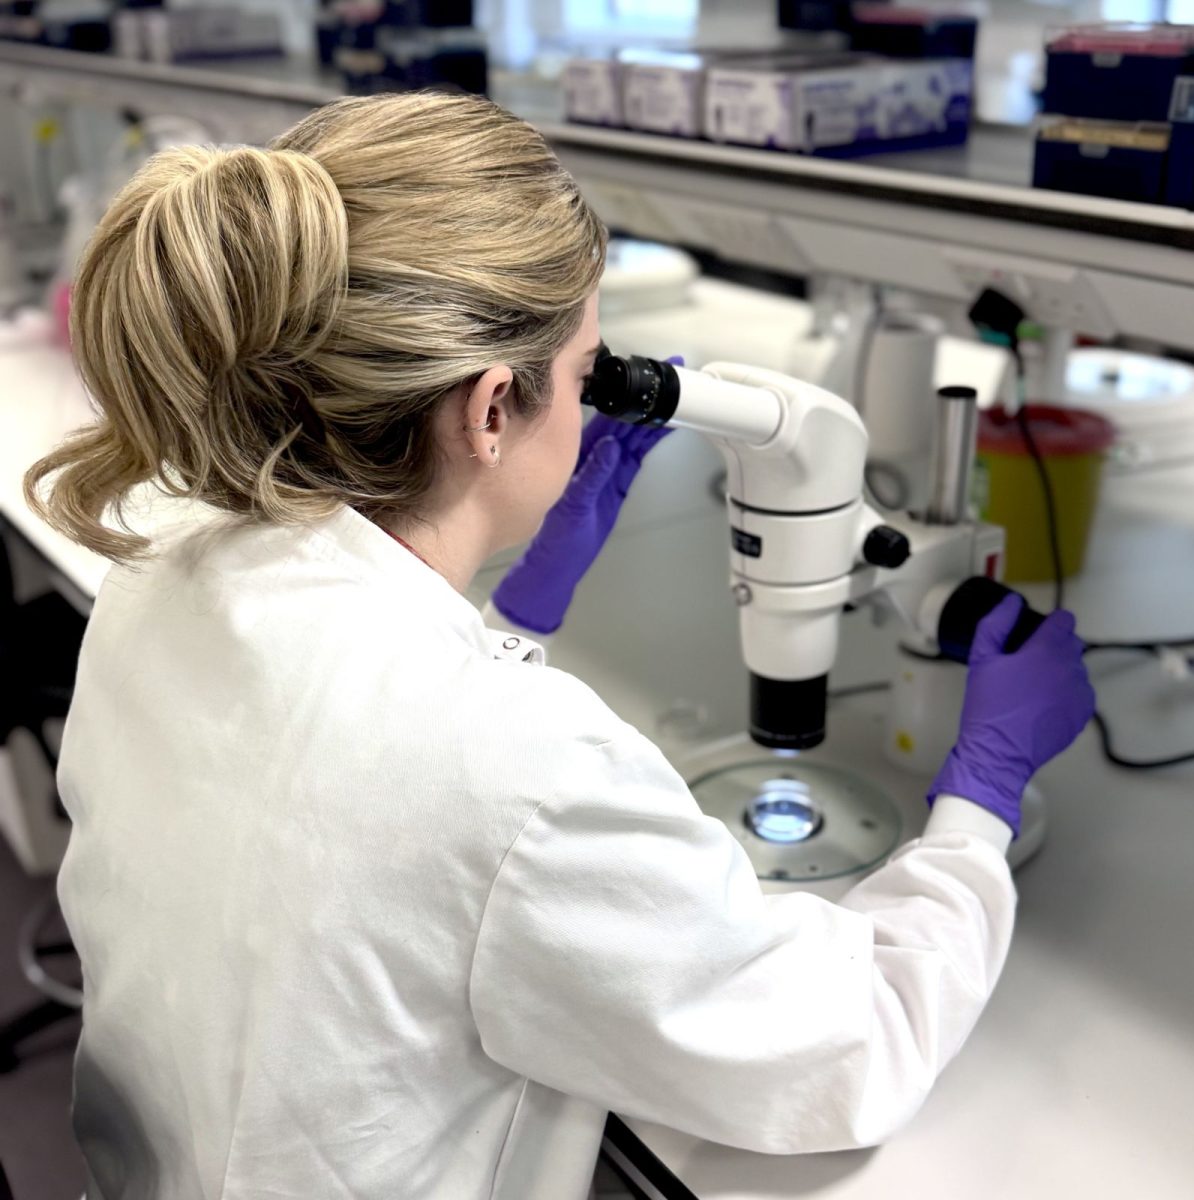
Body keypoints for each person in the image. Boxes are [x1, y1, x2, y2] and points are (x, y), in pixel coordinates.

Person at [26, 92, 1094, 1200]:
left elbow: (337, 773)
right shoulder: (520, 775)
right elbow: (848, 1048)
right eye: (586, 375)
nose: (593, 404)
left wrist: (522, 609)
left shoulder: (162, 574)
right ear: (491, 410)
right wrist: (981, 801)